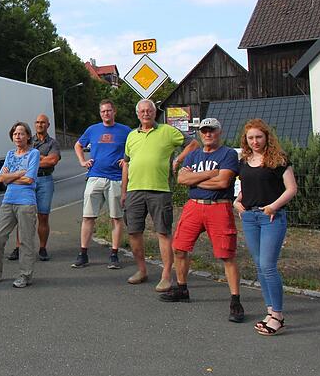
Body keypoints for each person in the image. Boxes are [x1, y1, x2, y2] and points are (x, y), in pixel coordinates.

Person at [161, 118, 245, 323]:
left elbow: (224, 181)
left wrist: (196, 180)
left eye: (212, 131)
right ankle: (182, 288)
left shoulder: (228, 154)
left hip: (219, 206)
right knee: (179, 248)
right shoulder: (194, 155)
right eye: (204, 131)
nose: (208, 134)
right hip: (194, 205)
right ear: (200, 133)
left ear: (219, 132)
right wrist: (210, 174)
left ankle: (235, 300)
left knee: (226, 254)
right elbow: (182, 179)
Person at [122, 99, 199, 291]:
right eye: (142, 111)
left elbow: (194, 144)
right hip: (134, 190)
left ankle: (166, 275)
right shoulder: (131, 136)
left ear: (155, 113)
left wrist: (178, 160)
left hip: (160, 190)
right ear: (137, 114)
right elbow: (127, 164)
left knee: (163, 232)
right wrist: (124, 191)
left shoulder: (168, 131)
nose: (146, 113)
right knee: (133, 232)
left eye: (149, 110)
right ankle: (142, 270)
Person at [233, 119, 297, 336]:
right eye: (250, 138)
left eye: (258, 137)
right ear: (246, 140)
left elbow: (291, 189)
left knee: (268, 265)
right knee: (259, 266)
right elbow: (247, 188)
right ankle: (270, 312)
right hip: (250, 217)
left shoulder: (278, 160)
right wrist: (237, 201)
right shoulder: (244, 160)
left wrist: (273, 206)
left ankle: (278, 315)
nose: (255, 141)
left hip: (272, 217)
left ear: (266, 137)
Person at [72, 99, 131, 269]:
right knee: (88, 216)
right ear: (100, 113)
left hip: (116, 178)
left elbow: (134, 148)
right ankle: (83, 253)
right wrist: (82, 160)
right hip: (95, 176)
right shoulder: (93, 129)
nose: (106, 114)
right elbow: (78, 145)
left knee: (116, 217)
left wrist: (128, 161)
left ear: (114, 112)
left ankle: (114, 254)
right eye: (103, 111)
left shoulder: (125, 131)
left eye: (109, 111)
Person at [0, 122, 40, 288]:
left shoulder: (33, 154)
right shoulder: (10, 154)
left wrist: (10, 177)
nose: (18, 136)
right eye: (15, 134)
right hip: (8, 201)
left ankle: (25, 275)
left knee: (26, 241)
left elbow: (30, 179)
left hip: (26, 202)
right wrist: (18, 174)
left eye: (21, 133)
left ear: (28, 136)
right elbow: (1, 178)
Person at [7, 114, 60, 261]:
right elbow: (22, 159)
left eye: (43, 122)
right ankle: (19, 247)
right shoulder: (29, 141)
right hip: (27, 181)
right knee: (22, 214)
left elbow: (53, 160)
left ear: (48, 125)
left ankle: (42, 248)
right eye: (37, 122)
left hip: (44, 180)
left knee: (43, 215)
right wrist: (42, 158)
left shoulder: (53, 143)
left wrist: (34, 161)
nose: (40, 125)